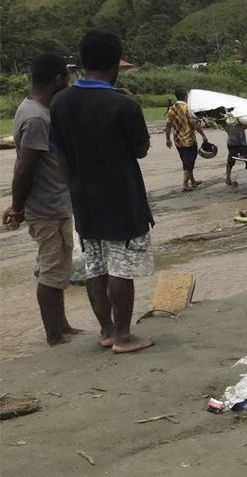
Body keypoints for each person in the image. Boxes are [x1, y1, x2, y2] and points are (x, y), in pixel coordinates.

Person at [50, 30, 155, 354]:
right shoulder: (122, 104)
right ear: (116, 64)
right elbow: (141, 149)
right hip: (122, 199)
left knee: (96, 267)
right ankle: (124, 336)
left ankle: (107, 330)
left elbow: (60, 155)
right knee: (121, 269)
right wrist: (132, 102)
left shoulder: (61, 101)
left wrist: (75, 189)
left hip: (84, 198)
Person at [3, 53, 83, 346]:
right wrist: (17, 205)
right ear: (59, 80)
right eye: (68, 77)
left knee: (57, 268)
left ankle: (62, 325)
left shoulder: (32, 108)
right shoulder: (36, 117)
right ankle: (53, 334)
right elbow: (26, 165)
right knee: (51, 271)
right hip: (47, 207)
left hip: (52, 203)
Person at [165, 87, 208, 191]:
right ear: (185, 96)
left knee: (186, 161)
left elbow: (168, 125)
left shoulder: (172, 109)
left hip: (178, 140)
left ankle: (192, 181)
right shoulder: (187, 108)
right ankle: (184, 184)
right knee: (189, 162)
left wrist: (168, 139)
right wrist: (203, 135)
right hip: (189, 140)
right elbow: (194, 124)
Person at [224, 120, 247, 187]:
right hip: (238, 143)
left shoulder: (228, 124)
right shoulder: (233, 124)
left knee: (244, 159)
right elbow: (245, 126)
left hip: (235, 143)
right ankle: (228, 179)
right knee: (243, 160)